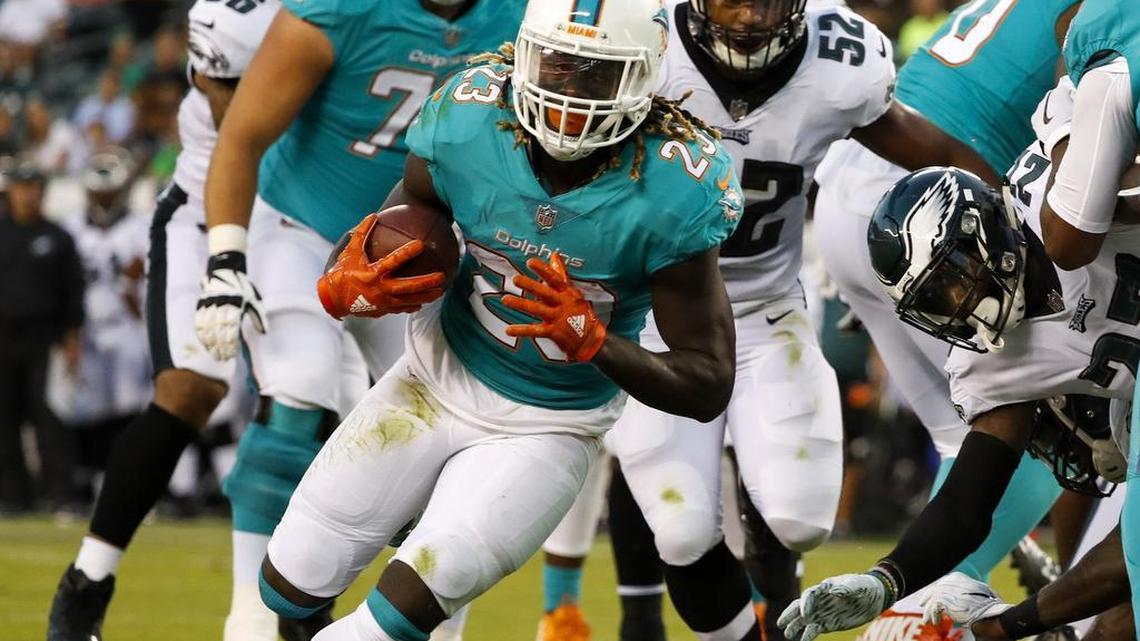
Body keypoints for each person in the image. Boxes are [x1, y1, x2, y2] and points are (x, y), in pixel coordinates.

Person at [256, 2, 744, 640]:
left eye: (597, 72)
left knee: (395, 614)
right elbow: (405, 217)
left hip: (547, 425)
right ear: (524, 55)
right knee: (291, 581)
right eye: (558, 64)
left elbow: (708, 383)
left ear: (644, 76)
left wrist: (594, 341)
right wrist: (350, 274)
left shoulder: (674, 188)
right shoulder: (469, 119)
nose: (571, 93)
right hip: (430, 380)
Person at [580, 2, 998, 641]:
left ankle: (773, 594)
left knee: (800, 521)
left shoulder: (840, 61)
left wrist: (1014, 214)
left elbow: (933, 151)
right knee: (683, 531)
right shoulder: (646, 45)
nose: (750, 16)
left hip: (765, 312)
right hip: (659, 318)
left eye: (769, 0)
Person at [193, 0, 525, 637]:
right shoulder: (340, 8)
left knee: (453, 431)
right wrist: (226, 258)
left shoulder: (518, 17)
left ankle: (428, 629)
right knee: (299, 382)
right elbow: (242, 134)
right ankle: (251, 619)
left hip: (416, 253)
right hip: (301, 224)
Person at [779, 152, 1140, 640]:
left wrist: (1002, 627)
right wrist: (885, 581)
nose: (958, 304)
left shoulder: (1062, 199)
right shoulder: (990, 361)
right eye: (935, 300)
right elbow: (964, 505)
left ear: (981, 230)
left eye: (955, 279)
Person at [807, 0, 1083, 633]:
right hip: (944, 202)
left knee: (968, 437)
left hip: (864, 190)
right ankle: (927, 603)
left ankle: (949, 582)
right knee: (1054, 420)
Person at [46, 3, 280, 640]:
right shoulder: (233, 19)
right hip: (206, 219)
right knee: (190, 389)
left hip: (300, 224)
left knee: (307, 399)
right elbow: (239, 125)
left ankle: (289, 603)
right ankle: (88, 581)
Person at [58, 149, 150, 486]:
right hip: (85, 329)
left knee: (131, 405)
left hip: (127, 326)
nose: (103, 200)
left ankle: (129, 479)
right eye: (98, 193)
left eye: (109, 193)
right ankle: (94, 478)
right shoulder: (70, 228)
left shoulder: (141, 228)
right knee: (90, 408)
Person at [0, 160, 84, 515]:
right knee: (4, 418)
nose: (29, 195)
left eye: (35, 187)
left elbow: (73, 291)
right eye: (23, 188)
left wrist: (72, 337)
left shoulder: (57, 237)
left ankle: (60, 494)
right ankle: (13, 496)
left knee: (49, 417)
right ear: (11, 192)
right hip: (3, 338)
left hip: (45, 338)